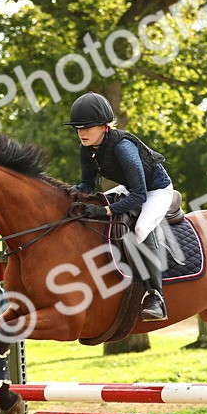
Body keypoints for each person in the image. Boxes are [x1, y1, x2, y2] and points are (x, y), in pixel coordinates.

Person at [67, 92, 174, 322]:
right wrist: (70, 195)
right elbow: (87, 183)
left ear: (105, 126)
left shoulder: (122, 147)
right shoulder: (86, 148)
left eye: (87, 127)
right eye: (77, 128)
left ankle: (157, 297)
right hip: (129, 188)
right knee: (94, 204)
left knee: (141, 228)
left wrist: (106, 211)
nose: (81, 133)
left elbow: (139, 195)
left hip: (156, 191)